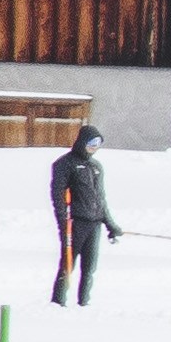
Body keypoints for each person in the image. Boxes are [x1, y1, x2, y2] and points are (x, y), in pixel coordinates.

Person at [47, 128, 117, 305]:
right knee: (67, 265)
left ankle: (84, 303)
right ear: (82, 142)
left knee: (89, 268)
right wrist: (63, 223)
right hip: (75, 223)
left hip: (94, 224)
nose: (94, 148)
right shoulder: (65, 164)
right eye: (91, 143)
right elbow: (58, 196)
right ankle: (58, 302)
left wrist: (110, 225)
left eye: (98, 144)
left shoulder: (96, 167)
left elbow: (100, 199)